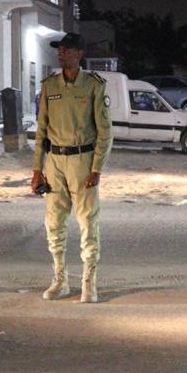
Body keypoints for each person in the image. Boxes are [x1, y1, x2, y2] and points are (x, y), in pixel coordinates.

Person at [31, 32, 113, 303]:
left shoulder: (93, 85)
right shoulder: (50, 86)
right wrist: (36, 170)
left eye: (66, 49)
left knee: (88, 222)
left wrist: (96, 169)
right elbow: (41, 131)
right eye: (59, 49)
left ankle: (89, 281)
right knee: (53, 222)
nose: (61, 53)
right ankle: (60, 279)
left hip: (82, 160)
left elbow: (105, 133)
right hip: (55, 162)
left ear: (79, 54)